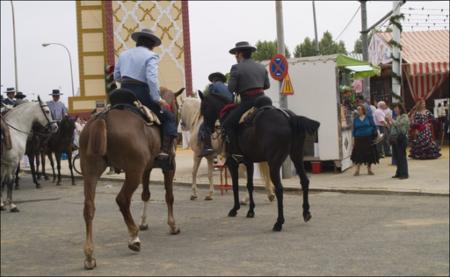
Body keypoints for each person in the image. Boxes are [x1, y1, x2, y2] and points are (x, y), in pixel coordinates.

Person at [114, 28, 177, 161]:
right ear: (152, 45)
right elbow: (152, 79)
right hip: (140, 92)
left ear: (138, 42)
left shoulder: (124, 54)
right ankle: (164, 152)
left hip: (123, 92)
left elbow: (117, 76)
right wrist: (158, 99)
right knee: (169, 117)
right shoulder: (151, 56)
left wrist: (127, 79)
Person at [220, 41, 270, 162]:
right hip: (264, 100)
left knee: (227, 124)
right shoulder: (261, 67)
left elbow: (231, 89)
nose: (235, 57)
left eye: (236, 54)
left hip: (248, 101)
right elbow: (266, 85)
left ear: (240, 54)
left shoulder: (236, 67)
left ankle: (235, 153)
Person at [199, 72, 234, 157]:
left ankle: (207, 147)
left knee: (204, 126)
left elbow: (210, 100)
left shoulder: (212, 86)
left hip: (219, 109)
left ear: (213, 80)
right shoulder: (228, 87)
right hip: (231, 109)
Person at [351, 104, 379, 176]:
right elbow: (354, 130)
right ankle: (357, 170)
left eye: (359, 109)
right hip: (359, 138)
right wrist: (353, 140)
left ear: (363, 110)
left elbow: (374, 126)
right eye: (357, 109)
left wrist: (376, 135)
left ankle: (369, 169)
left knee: (369, 153)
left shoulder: (369, 117)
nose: (358, 111)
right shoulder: (355, 119)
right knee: (358, 154)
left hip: (368, 138)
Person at [387, 103, 410, 179]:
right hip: (395, 139)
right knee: (397, 157)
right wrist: (388, 122)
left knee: (402, 157)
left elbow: (399, 125)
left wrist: (391, 119)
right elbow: (393, 127)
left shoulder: (404, 116)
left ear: (400, 109)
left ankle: (404, 174)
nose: (395, 110)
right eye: (394, 108)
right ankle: (399, 172)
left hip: (401, 138)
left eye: (396, 108)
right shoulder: (397, 117)